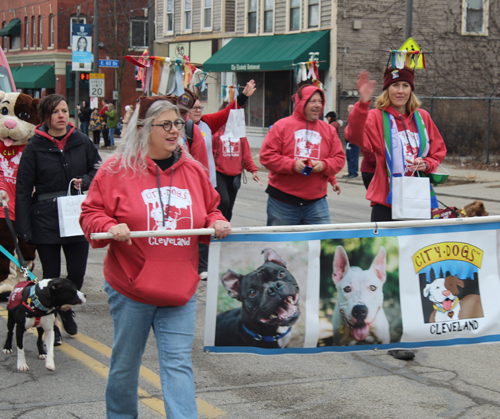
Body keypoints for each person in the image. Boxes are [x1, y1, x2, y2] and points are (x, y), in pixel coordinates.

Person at [79, 96, 230, 419]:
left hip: (180, 289)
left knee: (178, 365)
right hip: (130, 288)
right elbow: (91, 213)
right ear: (145, 129)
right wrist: (108, 225)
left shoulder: (194, 170)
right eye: (166, 124)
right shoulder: (115, 169)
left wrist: (215, 222)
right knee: (125, 365)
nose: (175, 131)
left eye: (178, 123)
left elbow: (211, 208)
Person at [344, 66, 447, 360]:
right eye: (394, 86)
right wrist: (363, 104)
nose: (400, 91)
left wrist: (427, 163)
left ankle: (414, 329)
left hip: (418, 204)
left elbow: (438, 150)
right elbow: (354, 134)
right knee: (394, 273)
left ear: (411, 89)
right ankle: (396, 338)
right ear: (387, 90)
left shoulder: (423, 118)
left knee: (416, 270)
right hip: (387, 205)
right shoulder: (377, 117)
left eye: (405, 85)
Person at [15, 94, 101, 338]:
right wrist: (24, 227)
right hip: (45, 218)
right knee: (51, 276)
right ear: (46, 116)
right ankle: (50, 325)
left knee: (76, 274)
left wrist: (84, 180)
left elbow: (98, 170)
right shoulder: (34, 146)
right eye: (56, 112)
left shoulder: (82, 140)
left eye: (65, 110)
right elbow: (23, 188)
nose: (62, 115)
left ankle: (65, 308)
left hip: (75, 215)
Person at [260, 84, 345, 226]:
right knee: (281, 247)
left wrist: (323, 165)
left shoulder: (328, 130)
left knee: (322, 244)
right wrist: (293, 165)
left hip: (316, 203)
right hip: (282, 203)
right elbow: (266, 156)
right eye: (312, 101)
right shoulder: (281, 126)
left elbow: (339, 159)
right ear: (301, 102)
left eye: (320, 101)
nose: (318, 105)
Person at [190, 80, 257, 188]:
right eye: (194, 108)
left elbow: (227, 112)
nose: (198, 111)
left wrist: (243, 96)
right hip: (189, 179)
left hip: (207, 181)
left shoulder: (206, 122)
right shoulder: (179, 126)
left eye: (200, 108)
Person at [212, 127, 260, 221]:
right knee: (223, 201)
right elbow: (210, 154)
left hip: (235, 175)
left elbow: (246, 155)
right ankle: (217, 223)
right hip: (219, 173)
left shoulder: (240, 134)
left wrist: (253, 171)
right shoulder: (215, 133)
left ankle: (226, 227)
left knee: (229, 206)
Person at [341, 104, 359, 179]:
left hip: (354, 142)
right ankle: (350, 172)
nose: (350, 110)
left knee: (354, 157)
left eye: (351, 109)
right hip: (348, 142)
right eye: (349, 108)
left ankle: (354, 173)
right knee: (349, 157)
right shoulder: (349, 118)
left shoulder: (355, 118)